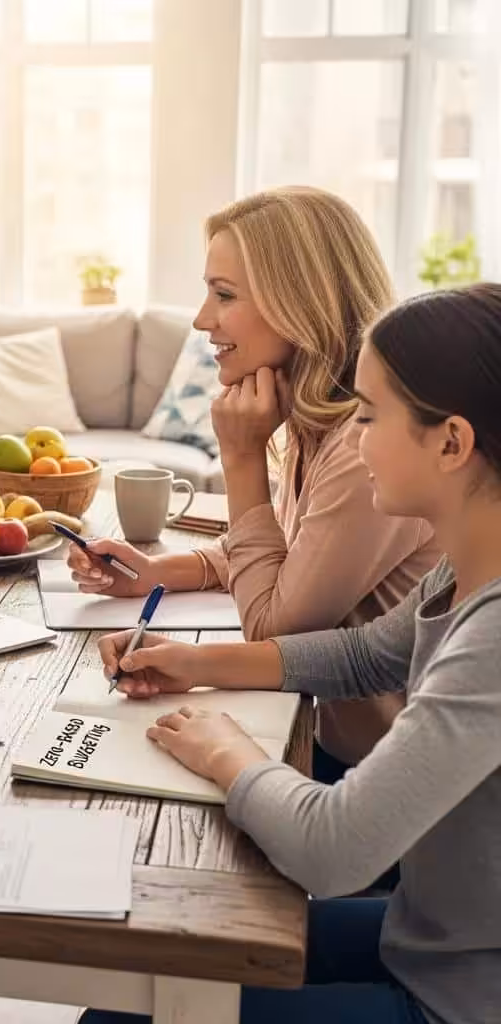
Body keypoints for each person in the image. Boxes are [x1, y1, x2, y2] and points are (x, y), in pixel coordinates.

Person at [84, 283, 501, 1024]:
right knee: (135, 970)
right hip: (435, 941)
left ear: (452, 443)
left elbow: (333, 850)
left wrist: (227, 751)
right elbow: (368, 654)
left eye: (369, 417)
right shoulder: (465, 569)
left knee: (128, 1010)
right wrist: (195, 663)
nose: (356, 438)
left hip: (460, 998)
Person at [67, 187, 438, 778]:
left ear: (301, 303)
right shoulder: (320, 417)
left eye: (224, 295)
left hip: (374, 771)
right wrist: (163, 571)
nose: (201, 319)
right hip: (319, 729)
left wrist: (240, 458)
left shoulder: (366, 447)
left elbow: (271, 622)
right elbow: (290, 547)